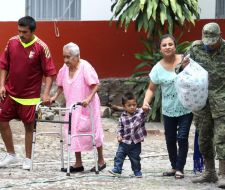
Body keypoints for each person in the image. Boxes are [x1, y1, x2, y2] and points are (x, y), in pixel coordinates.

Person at [180, 22, 225, 189]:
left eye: (213, 40)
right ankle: (209, 172)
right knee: (203, 138)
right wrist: (183, 67)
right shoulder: (195, 48)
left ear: (220, 35)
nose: (209, 44)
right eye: (207, 40)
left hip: (223, 98)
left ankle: (223, 175)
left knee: (223, 136)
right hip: (201, 100)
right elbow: (179, 70)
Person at [0, 16, 56, 170]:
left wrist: (45, 94)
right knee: (1, 120)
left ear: (32, 31)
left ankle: (28, 159)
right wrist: (1, 85)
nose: (21, 34)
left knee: (29, 127)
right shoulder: (11, 42)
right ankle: (11, 155)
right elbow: (4, 65)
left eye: (24, 32)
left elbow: (50, 73)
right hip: (10, 93)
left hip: (30, 97)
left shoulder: (41, 47)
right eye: (19, 31)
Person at [142, 34, 193, 179]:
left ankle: (180, 168)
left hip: (185, 108)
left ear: (175, 46)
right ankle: (173, 166)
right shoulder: (157, 68)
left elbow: (196, 77)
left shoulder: (185, 60)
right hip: (168, 110)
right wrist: (146, 102)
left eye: (170, 44)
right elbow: (151, 89)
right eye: (164, 45)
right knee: (170, 139)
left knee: (182, 138)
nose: (168, 47)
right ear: (160, 49)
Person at [50, 42, 106, 173]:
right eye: (64, 57)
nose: (65, 60)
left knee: (94, 132)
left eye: (68, 57)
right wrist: (54, 97)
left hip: (88, 105)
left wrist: (88, 98)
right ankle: (78, 163)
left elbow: (96, 84)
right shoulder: (64, 68)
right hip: (72, 106)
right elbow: (60, 86)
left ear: (77, 56)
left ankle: (101, 160)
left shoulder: (85, 67)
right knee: (72, 132)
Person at [109, 92, 148, 178]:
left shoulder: (140, 112)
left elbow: (146, 110)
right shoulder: (122, 117)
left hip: (135, 143)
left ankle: (137, 171)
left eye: (134, 105)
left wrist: (146, 108)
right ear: (124, 106)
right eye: (129, 105)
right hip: (124, 142)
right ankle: (117, 169)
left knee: (135, 159)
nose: (132, 107)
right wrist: (119, 135)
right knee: (119, 156)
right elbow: (120, 128)